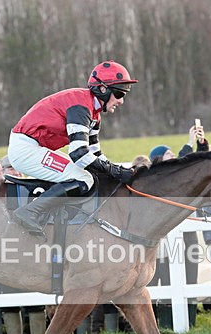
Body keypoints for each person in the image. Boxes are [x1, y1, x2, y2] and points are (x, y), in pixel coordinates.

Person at [8, 60, 137, 235]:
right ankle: (30, 212)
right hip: (25, 149)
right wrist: (116, 172)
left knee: (90, 175)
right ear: (103, 89)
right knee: (84, 178)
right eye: (119, 93)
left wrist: (119, 170)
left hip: (33, 146)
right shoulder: (81, 107)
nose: (121, 101)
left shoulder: (94, 114)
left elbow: (95, 154)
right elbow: (79, 155)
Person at [0, 156, 47, 334]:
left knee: (35, 298)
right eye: (11, 169)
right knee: (9, 299)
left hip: (31, 251)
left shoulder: (31, 188)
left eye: (17, 169)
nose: (16, 173)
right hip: (5, 252)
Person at [146, 124, 209, 328]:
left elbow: (196, 165)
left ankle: (189, 322)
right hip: (168, 240)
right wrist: (189, 143)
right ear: (158, 160)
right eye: (168, 154)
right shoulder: (159, 179)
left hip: (189, 237)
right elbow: (179, 166)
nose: (173, 157)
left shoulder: (182, 179)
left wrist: (201, 144)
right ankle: (167, 325)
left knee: (190, 278)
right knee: (168, 281)